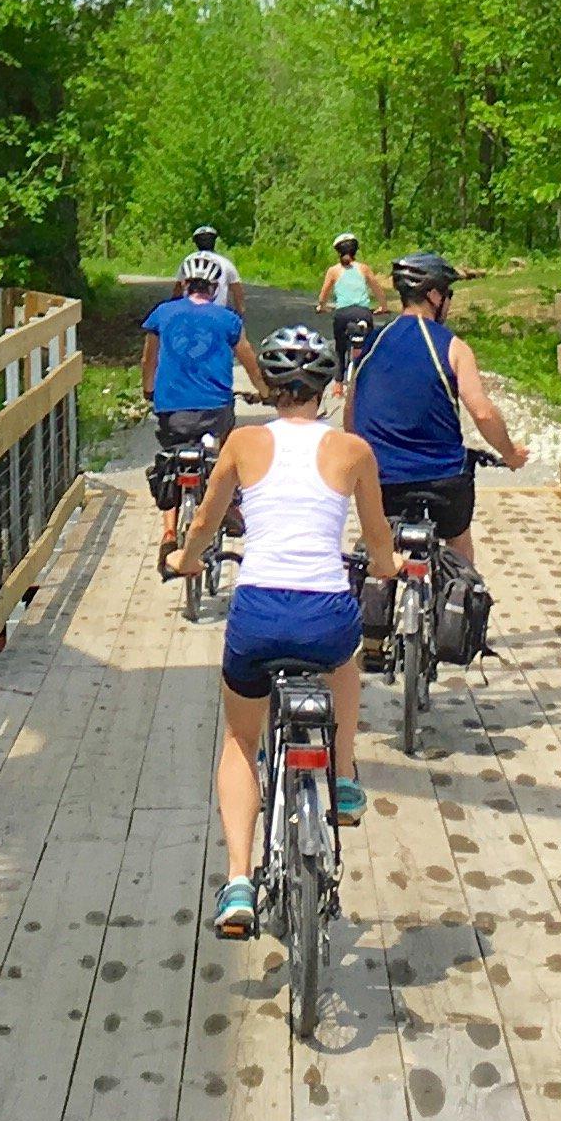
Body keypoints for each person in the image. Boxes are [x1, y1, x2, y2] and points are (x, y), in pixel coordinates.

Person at [181, 323, 397, 936]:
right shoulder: (353, 450)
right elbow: (378, 541)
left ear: (269, 388)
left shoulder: (244, 442)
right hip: (325, 613)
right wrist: (385, 566)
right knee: (346, 662)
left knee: (239, 742)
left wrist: (187, 559)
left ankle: (240, 882)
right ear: (327, 389)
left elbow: (206, 522)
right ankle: (346, 776)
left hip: (257, 614)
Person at [342, 253, 522, 636]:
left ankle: (373, 631)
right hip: (444, 481)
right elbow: (483, 412)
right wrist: (510, 454)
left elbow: (351, 412)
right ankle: (456, 618)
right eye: (449, 294)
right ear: (436, 296)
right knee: (458, 538)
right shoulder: (453, 346)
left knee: (378, 542)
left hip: (383, 481)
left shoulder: (373, 343)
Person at [142, 243, 263, 575]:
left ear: (184, 286)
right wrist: (264, 390)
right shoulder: (227, 320)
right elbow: (249, 359)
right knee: (225, 452)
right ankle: (226, 505)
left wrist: (148, 388)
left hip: (172, 410)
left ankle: (169, 532)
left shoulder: (162, 313)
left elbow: (148, 358)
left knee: (170, 459)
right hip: (215, 409)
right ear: (213, 289)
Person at [320, 236, 376, 375]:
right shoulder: (364, 269)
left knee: (340, 347)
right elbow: (378, 290)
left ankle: (338, 382)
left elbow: (323, 296)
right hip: (363, 313)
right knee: (369, 346)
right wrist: (384, 307)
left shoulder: (333, 271)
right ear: (355, 251)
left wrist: (321, 307)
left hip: (343, 314)